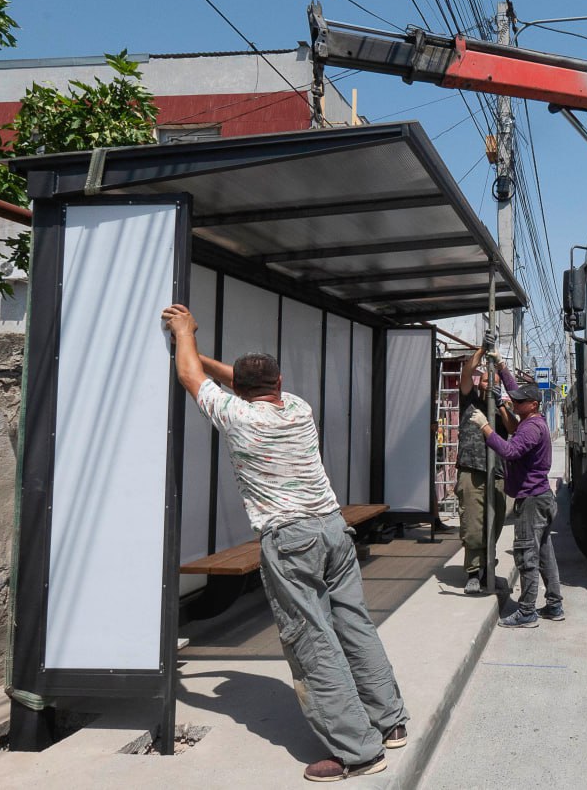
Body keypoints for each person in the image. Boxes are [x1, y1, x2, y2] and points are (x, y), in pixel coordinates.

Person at [161, 303, 409, 782]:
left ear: (240, 390)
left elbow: (193, 378)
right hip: (333, 529)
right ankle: (389, 720)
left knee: (312, 640)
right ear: (278, 382)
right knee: (355, 625)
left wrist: (184, 333)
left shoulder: (237, 416)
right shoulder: (298, 408)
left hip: (291, 540)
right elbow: (228, 378)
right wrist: (194, 347)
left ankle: (358, 750)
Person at [470, 382, 563, 628]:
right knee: (545, 555)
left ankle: (527, 612)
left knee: (526, 556)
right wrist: (501, 366)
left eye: (520, 402)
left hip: (532, 501)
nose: (515, 403)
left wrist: (485, 427)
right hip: (540, 497)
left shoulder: (531, 428)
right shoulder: (531, 421)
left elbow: (510, 451)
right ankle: (554, 605)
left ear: (533, 405)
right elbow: (513, 390)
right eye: (515, 400)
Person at [456, 340, 516, 594]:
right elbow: (466, 373)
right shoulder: (469, 400)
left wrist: (500, 404)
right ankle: (473, 573)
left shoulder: (503, 407)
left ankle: (487, 571)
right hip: (472, 469)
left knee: (495, 522)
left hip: (497, 472)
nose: (488, 384)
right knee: (473, 525)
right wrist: (482, 350)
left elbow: (513, 428)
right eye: (484, 380)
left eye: (493, 381)